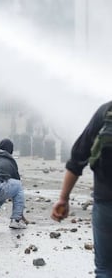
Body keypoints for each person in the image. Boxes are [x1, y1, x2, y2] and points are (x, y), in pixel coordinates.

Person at [51, 101, 112, 277]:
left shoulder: (106, 111)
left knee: (105, 269)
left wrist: (64, 198)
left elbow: (77, 158)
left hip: (106, 203)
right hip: (104, 202)